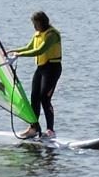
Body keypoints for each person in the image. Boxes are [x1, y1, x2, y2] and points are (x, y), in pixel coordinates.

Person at [6, 11, 62, 139]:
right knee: (34, 97)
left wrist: (19, 55)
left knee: (45, 98)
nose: (34, 27)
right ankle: (34, 128)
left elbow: (40, 50)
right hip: (41, 68)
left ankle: (50, 131)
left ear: (43, 22)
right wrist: (13, 51)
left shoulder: (52, 35)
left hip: (52, 68)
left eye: (36, 24)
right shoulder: (38, 34)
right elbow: (29, 47)